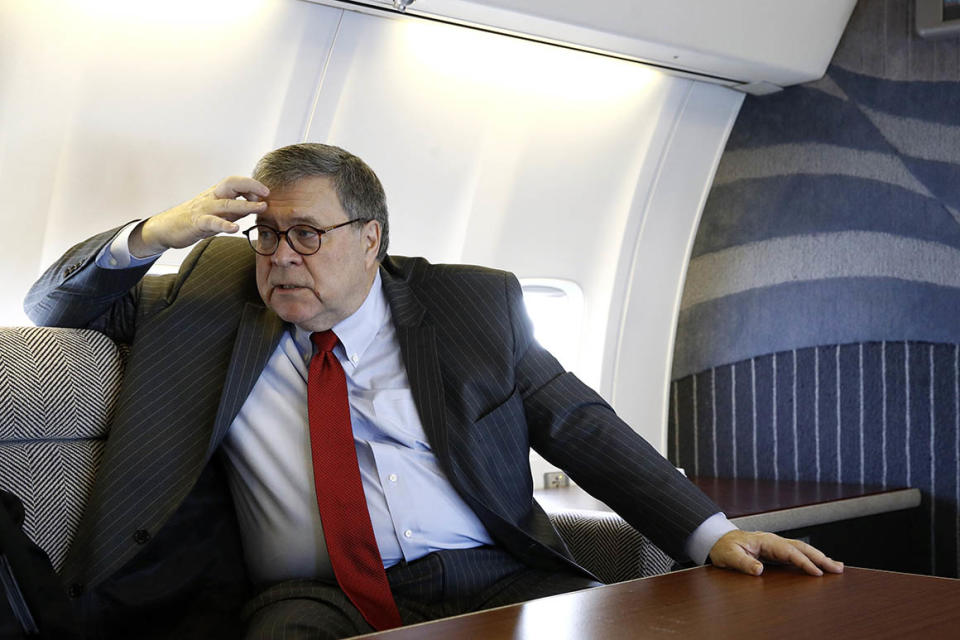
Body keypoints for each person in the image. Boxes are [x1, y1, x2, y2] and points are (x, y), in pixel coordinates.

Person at [25, 143, 842, 639]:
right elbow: (52, 307)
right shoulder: (212, 293)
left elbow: (579, 423)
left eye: (306, 234)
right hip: (315, 596)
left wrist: (710, 534)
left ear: (371, 236)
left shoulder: (470, 306)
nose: (279, 256)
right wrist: (164, 230)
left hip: (493, 577)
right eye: (267, 234)